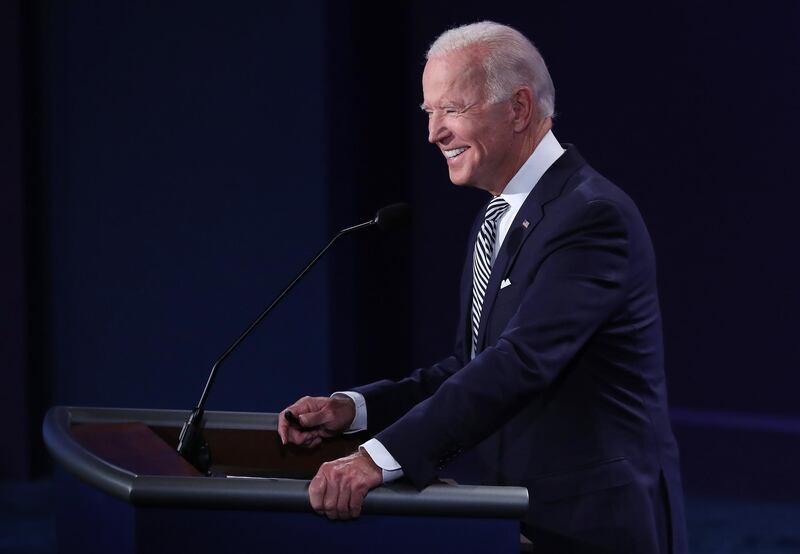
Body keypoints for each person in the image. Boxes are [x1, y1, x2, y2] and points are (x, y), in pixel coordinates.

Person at [278, 21, 688, 553]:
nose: (433, 133)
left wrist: (376, 459)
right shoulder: (497, 220)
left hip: (596, 527)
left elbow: (519, 363)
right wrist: (355, 411)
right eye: (429, 113)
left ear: (518, 108)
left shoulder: (590, 217)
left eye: (452, 109)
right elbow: (468, 368)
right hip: (519, 521)